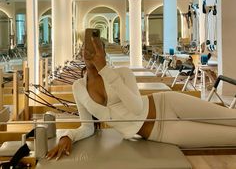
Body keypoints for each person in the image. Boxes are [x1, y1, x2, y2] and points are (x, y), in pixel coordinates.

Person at [46, 37, 236, 160]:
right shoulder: (78, 87)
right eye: (87, 49)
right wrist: (67, 136)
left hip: (167, 102)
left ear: (104, 53)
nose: (90, 53)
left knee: (230, 117)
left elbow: (136, 107)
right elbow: (87, 127)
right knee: (231, 137)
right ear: (81, 52)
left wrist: (105, 70)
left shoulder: (122, 73)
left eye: (96, 49)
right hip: (161, 132)